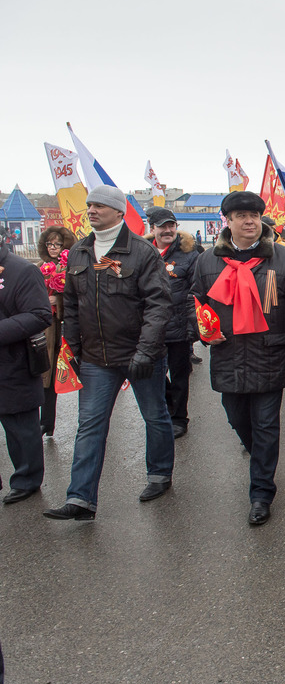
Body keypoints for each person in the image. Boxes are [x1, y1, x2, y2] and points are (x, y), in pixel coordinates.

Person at [43, 186, 175, 521]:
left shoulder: (142, 252)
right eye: (89, 205)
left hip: (140, 355)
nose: (92, 210)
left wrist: (146, 352)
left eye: (100, 205)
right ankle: (80, 499)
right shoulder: (79, 253)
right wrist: (69, 346)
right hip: (95, 358)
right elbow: (71, 305)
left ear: (119, 211)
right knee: (89, 425)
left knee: (155, 416)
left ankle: (159, 474)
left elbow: (158, 305)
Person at [191, 191, 285, 525]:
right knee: (237, 419)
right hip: (227, 355)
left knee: (266, 426)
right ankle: (259, 456)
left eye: (254, 215)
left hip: (269, 354)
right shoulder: (207, 261)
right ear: (228, 220)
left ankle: (261, 493)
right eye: (241, 216)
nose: (249, 221)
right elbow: (195, 305)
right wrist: (203, 332)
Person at [0, 240, 53, 504]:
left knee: (21, 428)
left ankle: (27, 480)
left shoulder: (21, 270)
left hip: (13, 362)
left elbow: (40, 315)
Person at [147, 208, 200, 439]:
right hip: (150, 329)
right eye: (162, 226)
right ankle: (167, 408)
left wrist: (193, 327)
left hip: (178, 327)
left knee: (180, 376)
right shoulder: (143, 252)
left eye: (171, 225)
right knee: (152, 374)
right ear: (152, 229)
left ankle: (179, 418)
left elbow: (196, 292)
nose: (168, 230)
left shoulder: (189, 254)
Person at [37, 225, 77, 437]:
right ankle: (46, 422)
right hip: (47, 329)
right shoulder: (38, 268)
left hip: (69, 328)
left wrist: (59, 300)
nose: (53, 248)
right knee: (48, 375)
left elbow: (79, 295)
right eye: (49, 244)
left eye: (57, 244)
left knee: (78, 374)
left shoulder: (71, 266)